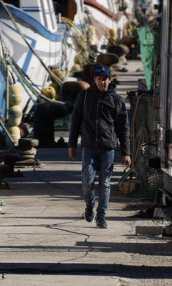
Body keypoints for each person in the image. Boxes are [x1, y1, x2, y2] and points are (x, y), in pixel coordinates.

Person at [67, 64, 131, 228]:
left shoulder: (117, 100)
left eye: (105, 79)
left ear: (110, 80)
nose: (102, 82)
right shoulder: (85, 96)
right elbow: (75, 121)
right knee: (87, 180)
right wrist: (72, 144)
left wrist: (126, 152)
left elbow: (123, 128)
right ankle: (90, 205)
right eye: (99, 79)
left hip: (107, 147)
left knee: (105, 183)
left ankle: (101, 216)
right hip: (88, 147)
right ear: (94, 80)